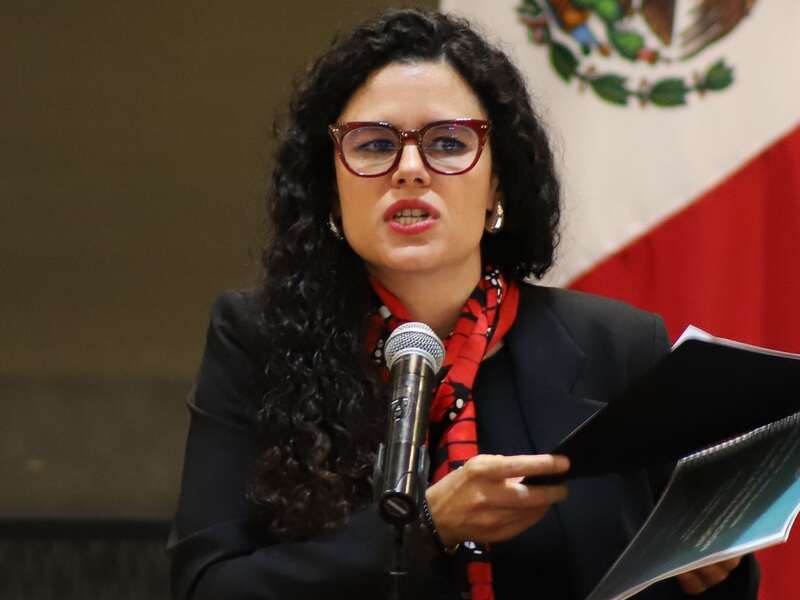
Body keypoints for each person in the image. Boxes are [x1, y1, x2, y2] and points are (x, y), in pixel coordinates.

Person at [167, 9, 759, 600]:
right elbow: (208, 587)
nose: (409, 170)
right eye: (373, 146)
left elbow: (675, 568)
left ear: (498, 183)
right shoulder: (257, 340)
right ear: (330, 185)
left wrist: (716, 571)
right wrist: (425, 526)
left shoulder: (617, 346)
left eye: (448, 143)